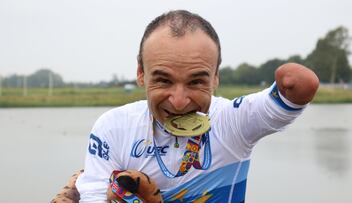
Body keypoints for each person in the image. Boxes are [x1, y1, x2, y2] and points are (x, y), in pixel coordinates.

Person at [75, 9, 319, 203]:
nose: (179, 101)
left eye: (196, 82)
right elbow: (93, 196)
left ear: (215, 77)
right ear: (141, 73)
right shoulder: (113, 127)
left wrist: (293, 91)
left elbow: (283, 103)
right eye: (163, 80)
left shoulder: (231, 122)